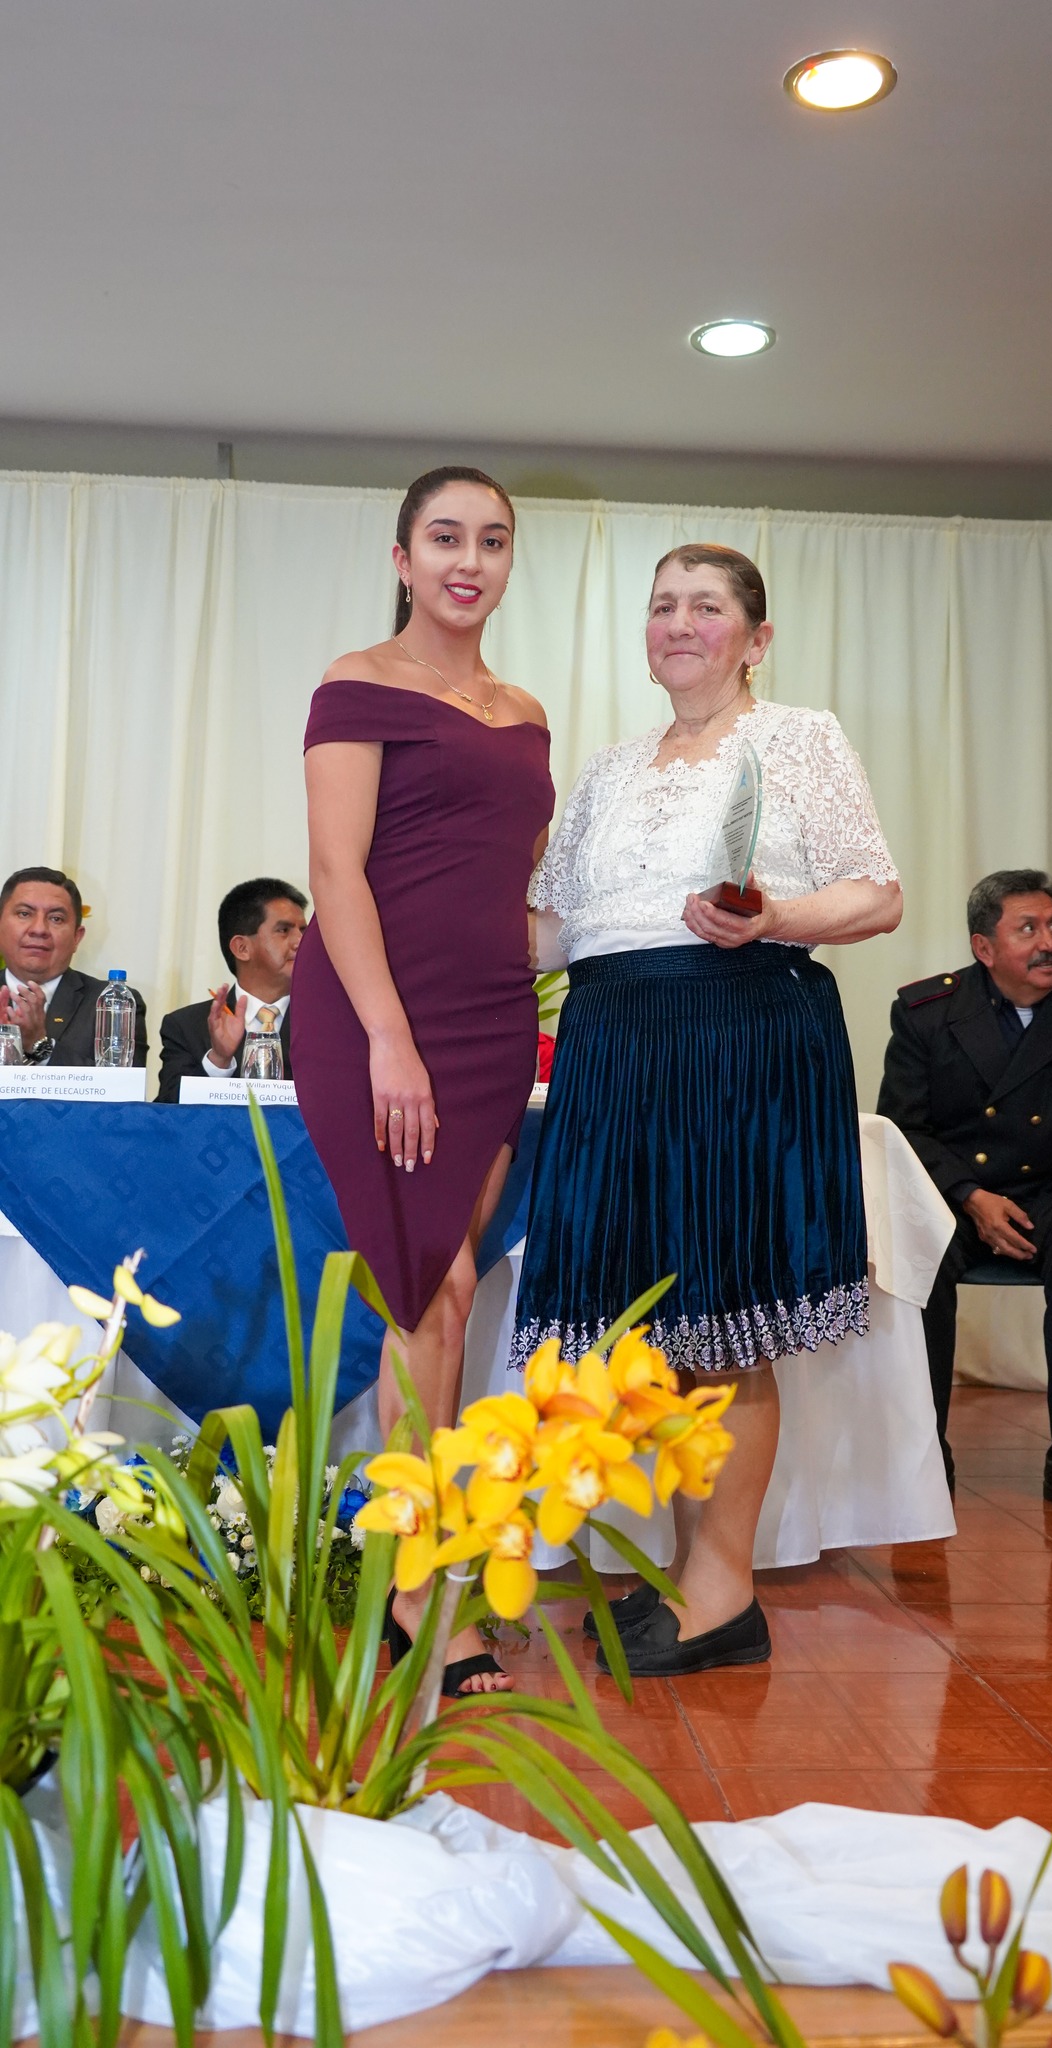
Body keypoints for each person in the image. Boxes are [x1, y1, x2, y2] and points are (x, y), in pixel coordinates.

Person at [516, 542, 901, 1677]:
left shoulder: (801, 737)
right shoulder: (606, 769)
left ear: (756, 637)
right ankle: (697, 1573)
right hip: (612, 1042)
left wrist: (773, 913)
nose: (679, 623)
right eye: (662, 606)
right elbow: (552, 932)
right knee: (660, 1326)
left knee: (726, 1316)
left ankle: (723, 1591)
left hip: (741, 1032)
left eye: (706, 606)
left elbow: (876, 893)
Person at [291, 465, 553, 1694]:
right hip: (372, 1019)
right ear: (403, 557)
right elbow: (335, 873)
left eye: (491, 540)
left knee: (450, 1290)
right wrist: (389, 1037)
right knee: (429, 1289)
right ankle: (423, 1590)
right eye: (445, 537)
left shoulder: (524, 711)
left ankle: (417, 1577)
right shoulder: (356, 683)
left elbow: (513, 880)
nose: (469, 560)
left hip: (491, 1021)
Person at [877, 869, 1052, 1521]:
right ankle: (926, 1450)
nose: (1048, 942)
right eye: (1027, 929)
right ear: (984, 948)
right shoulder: (927, 1014)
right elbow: (902, 1128)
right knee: (921, 1252)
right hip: (958, 1195)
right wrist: (970, 1195)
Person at [156, 879, 308, 1102]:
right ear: (242, 948)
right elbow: (168, 1111)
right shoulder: (186, 1026)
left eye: (303, 930)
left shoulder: (329, 1022)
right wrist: (219, 1060)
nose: (300, 941)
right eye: (284, 930)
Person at [0, 866, 147, 1065]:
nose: (39, 929)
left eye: (56, 918)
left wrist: (40, 1046)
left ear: (77, 937)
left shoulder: (113, 1003)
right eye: (24, 914)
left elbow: (122, 1081)